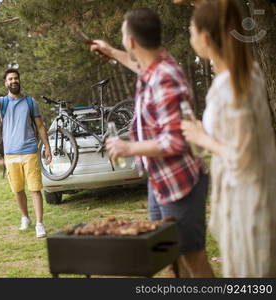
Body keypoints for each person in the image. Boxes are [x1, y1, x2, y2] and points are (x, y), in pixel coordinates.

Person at [91, 8, 214, 277]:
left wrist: (128, 147)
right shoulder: (154, 68)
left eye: (123, 36)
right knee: (169, 257)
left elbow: (175, 141)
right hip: (160, 181)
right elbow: (138, 65)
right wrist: (111, 52)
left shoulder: (166, 77)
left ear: (132, 41)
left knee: (192, 258)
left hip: (180, 185)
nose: (123, 41)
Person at [181, 0, 276, 277]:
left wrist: (203, 137)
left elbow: (242, 156)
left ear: (206, 38)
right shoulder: (248, 74)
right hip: (253, 197)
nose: (189, 36)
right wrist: (205, 133)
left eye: (191, 30)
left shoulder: (232, 86)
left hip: (248, 204)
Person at [0, 64, 52, 238]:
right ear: (6, 83)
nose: (14, 81)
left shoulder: (30, 102)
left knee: (35, 189)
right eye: (10, 79)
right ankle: (25, 217)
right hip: (10, 154)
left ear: (19, 81)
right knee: (18, 190)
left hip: (29, 151)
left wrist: (47, 147)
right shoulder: (3, 103)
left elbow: (40, 126)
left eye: (15, 78)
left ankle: (39, 224)